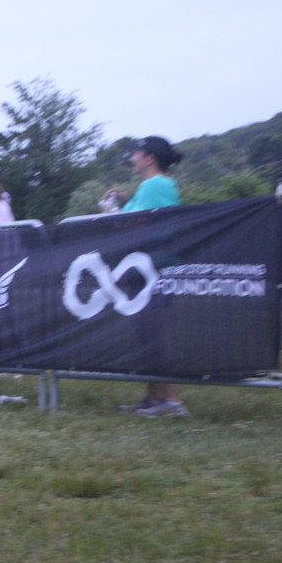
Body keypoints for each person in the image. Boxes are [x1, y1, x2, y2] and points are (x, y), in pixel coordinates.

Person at [105, 136, 188, 418]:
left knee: (159, 334)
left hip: (154, 269)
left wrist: (111, 211)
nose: (132, 159)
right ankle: (154, 398)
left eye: (136, 154)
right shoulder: (153, 186)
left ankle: (172, 402)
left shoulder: (155, 185)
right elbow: (140, 215)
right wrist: (124, 201)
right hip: (146, 268)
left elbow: (132, 224)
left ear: (149, 158)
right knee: (148, 334)